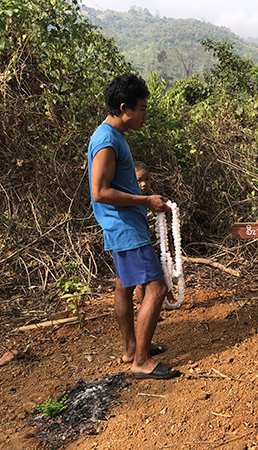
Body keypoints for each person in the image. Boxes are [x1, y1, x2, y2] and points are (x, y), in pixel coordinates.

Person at [87, 74, 180, 380]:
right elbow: (99, 192)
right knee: (156, 287)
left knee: (124, 286)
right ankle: (141, 361)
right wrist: (144, 200)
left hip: (122, 225)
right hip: (125, 227)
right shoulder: (106, 141)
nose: (145, 114)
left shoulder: (114, 136)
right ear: (125, 107)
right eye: (142, 108)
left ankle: (131, 348)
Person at [133, 160, 175, 311]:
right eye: (139, 180)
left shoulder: (152, 198)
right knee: (141, 281)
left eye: (147, 179)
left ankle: (171, 301)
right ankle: (147, 309)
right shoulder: (132, 201)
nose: (144, 184)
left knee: (162, 272)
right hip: (142, 248)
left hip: (156, 245)